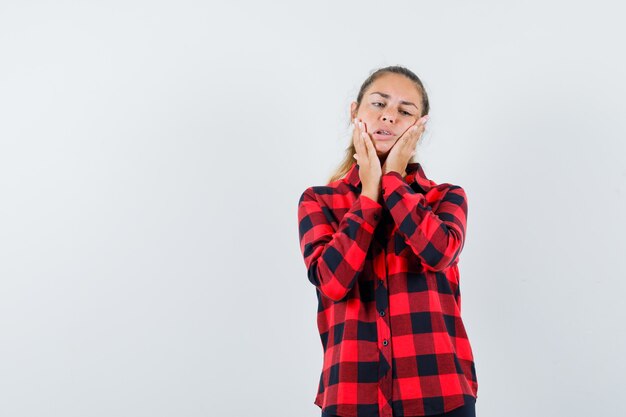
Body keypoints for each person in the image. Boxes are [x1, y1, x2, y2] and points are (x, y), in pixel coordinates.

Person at [296, 66, 478, 417]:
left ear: (419, 127)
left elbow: (438, 252)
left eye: (404, 111)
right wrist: (368, 194)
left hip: (439, 394)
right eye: (379, 103)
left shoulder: (445, 198)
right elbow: (333, 282)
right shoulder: (318, 201)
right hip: (352, 398)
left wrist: (393, 179)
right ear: (355, 113)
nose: (389, 116)